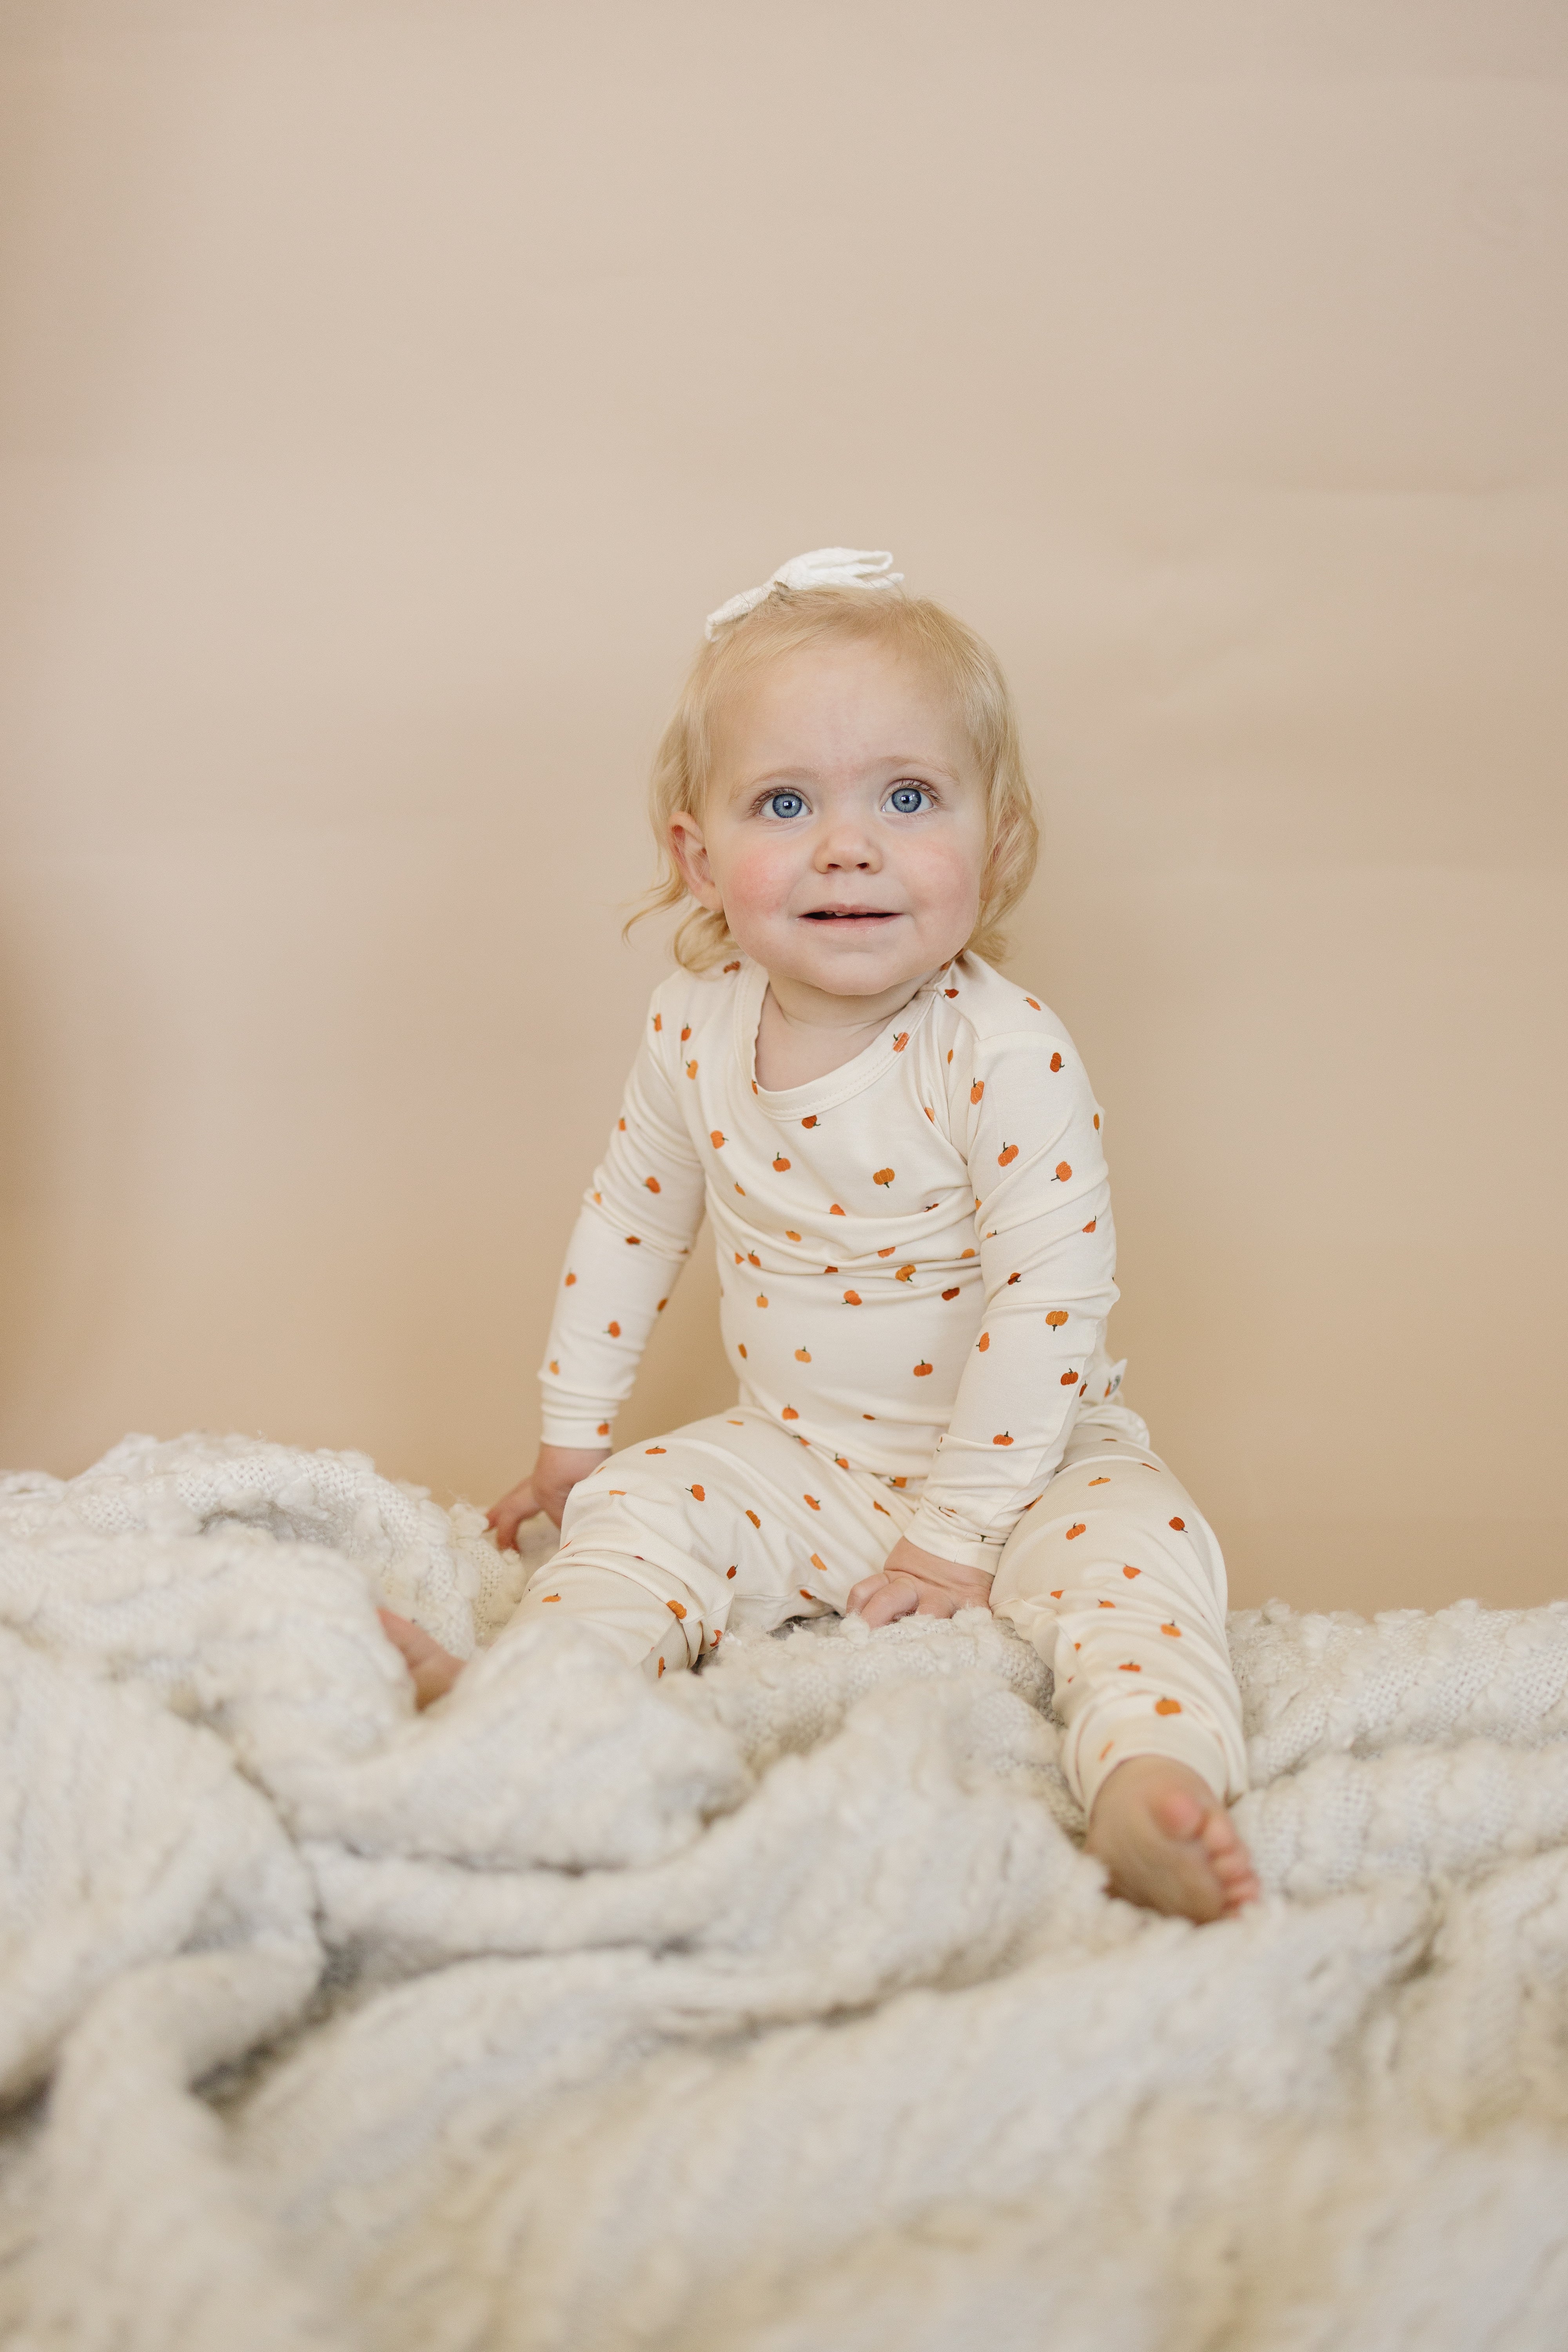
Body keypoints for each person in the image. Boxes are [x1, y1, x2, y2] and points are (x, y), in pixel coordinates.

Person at [384, 548, 1259, 1923]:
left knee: (1145, 1559)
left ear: (997, 844)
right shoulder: (693, 1028)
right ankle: (534, 1705)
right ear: (697, 857)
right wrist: (574, 1436)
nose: (849, 846)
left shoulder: (1002, 1051)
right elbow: (631, 1219)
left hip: (1030, 1465)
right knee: (634, 1514)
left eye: (907, 798)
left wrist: (959, 1540)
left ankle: (1151, 1780)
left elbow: (1049, 1299)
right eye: (786, 803)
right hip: (799, 1457)